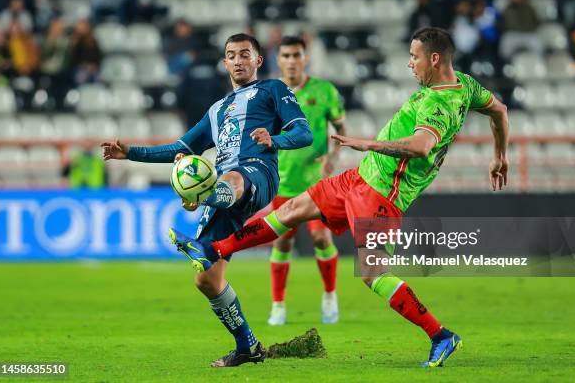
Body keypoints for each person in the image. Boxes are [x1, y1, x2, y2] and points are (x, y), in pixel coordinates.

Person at [175, 27, 510, 368]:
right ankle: (213, 250)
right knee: (292, 209)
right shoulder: (466, 85)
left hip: (383, 192)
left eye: (415, 57)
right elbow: (500, 110)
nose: (410, 64)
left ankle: (440, 336)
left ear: (434, 59)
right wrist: (500, 155)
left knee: (372, 273)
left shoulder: (440, 101)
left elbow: (422, 146)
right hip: (359, 179)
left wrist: (370, 145)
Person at [101, 33, 313, 367]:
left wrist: (274, 138)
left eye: (245, 54)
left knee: (232, 178)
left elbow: (304, 133)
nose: (238, 60)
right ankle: (248, 346)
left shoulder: (273, 89)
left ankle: (205, 195)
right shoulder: (216, 110)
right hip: (224, 189)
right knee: (207, 280)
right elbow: (179, 149)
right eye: (232, 55)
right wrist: (130, 153)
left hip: (257, 174)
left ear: (258, 61)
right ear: (225, 63)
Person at [262, 35, 346, 326]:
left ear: (305, 58)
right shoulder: (268, 92)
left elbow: (340, 130)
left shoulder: (324, 91)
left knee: (321, 237)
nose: (291, 61)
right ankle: (278, 305)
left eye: (297, 55)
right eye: (285, 56)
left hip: (316, 184)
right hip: (283, 182)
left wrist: (332, 158)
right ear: (278, 59)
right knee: (283, 242)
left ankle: (330, 295)